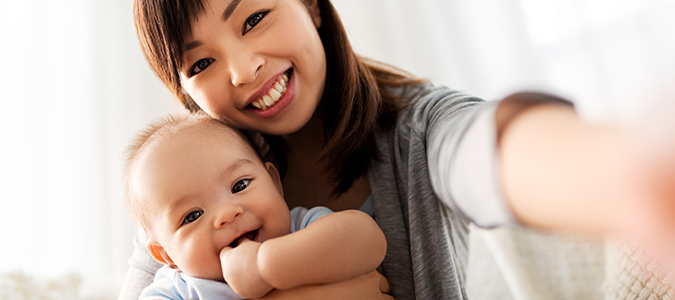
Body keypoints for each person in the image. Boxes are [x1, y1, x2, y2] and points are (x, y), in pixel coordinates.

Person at [118, 0, 675, 299]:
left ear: (310, 3)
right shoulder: (182, 198)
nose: (243, 70)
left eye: (255, 18)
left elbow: (491, 154)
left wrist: (623, 173)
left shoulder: (420, 131)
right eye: (200, 63)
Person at [124, 113, 387, 299]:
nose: (226, 214)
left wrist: (265, 265)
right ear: (167, 257)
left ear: (274, 183)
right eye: (193, 215)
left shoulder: (302, 228)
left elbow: (368, 240)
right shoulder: (179, 290)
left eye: (239, 186)